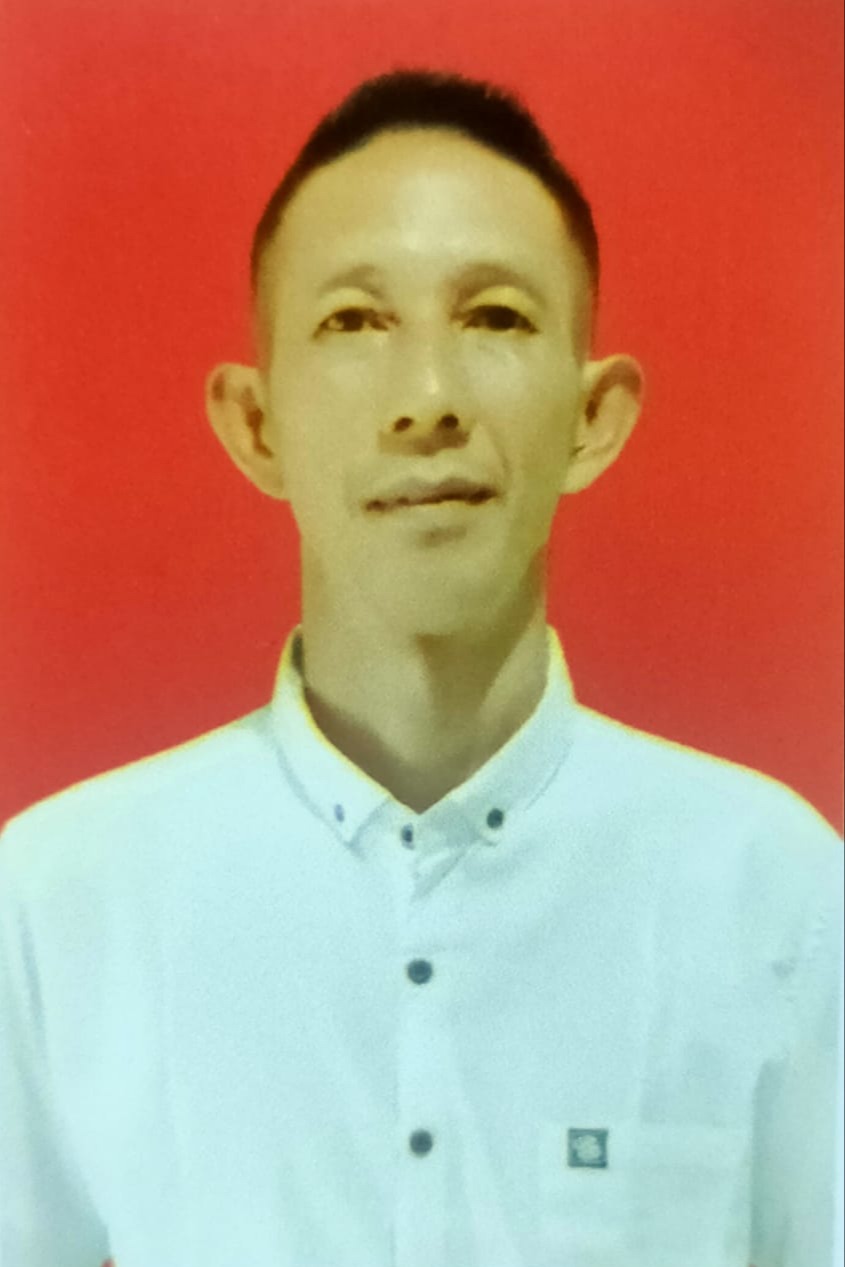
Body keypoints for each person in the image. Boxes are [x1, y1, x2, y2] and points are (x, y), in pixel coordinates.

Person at [0, 68, 841, 1267]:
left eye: (493, 318)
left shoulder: (776, 896)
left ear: (592, 415)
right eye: (354, 323)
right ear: (255, 423)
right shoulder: (56, 904)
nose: (427, 400)